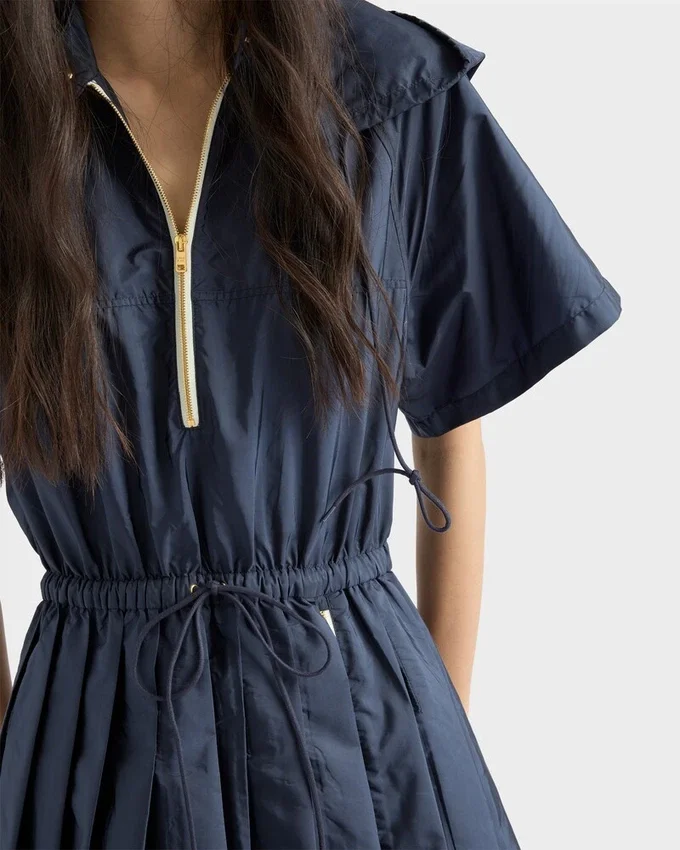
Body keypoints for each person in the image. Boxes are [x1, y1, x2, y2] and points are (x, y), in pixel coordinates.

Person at [0, 0, 622, 848]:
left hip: (363, 728)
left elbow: (451, 431)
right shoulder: (15, 119)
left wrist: (433, 732)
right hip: (90, 740)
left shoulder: (387, 87)